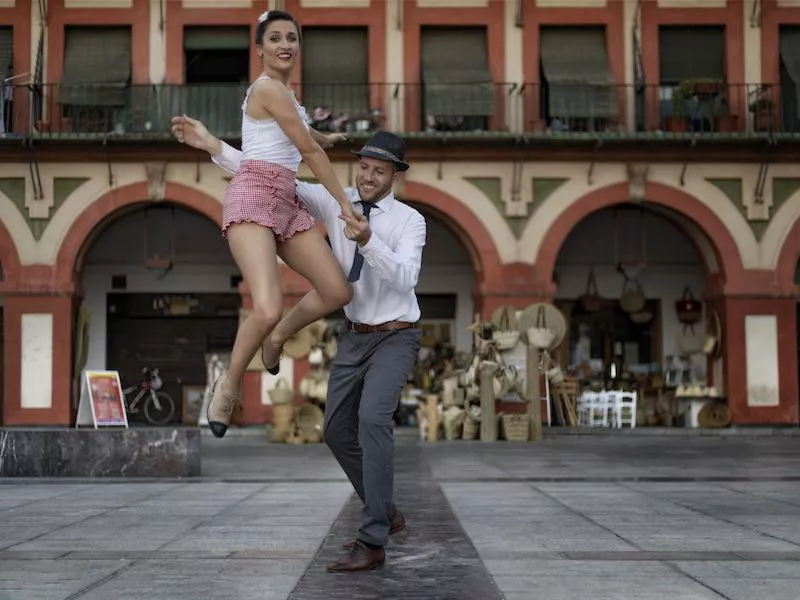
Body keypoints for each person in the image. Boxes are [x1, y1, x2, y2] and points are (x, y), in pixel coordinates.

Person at [171, 116, 425, 573]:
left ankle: (372, 540)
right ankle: (385, 510)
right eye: (364, 167)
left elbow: (406, 279)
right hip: (353, 336)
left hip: (395, 336)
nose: (368, 177)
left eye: (380, 171)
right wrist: (212, 145)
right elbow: (270, 175)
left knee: (372, 420)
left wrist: (367, 242)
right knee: (334, 432)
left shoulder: (411, 222)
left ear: (396, 176)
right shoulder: (336, 201)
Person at [186, 9, 357, 439]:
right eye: (276, 38)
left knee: (337, 290)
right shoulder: (268, 89)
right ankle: (229, 385)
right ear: (259, 50)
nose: (285, 45)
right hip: (252, 197)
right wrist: (344, 203)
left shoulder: (286, 96)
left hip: (287, 199)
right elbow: (310, 154)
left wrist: (326, 137)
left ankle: (277, 337)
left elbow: (304, 134)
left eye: (293, 38)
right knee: (265, 305)